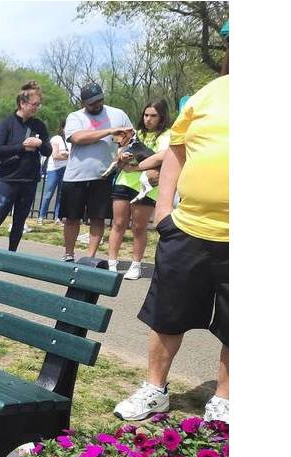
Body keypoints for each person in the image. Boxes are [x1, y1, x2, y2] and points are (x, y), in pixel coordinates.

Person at [114, 23, 229, 423]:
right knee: (167, 313)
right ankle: (154, 388)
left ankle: (225, 398)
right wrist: (164, 208)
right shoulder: (205, 96)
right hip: (189, 227)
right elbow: (176, 151)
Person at [59, 83, 133, 262]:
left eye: (100, 100)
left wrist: (123, 151)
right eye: (92, 103)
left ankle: (90, 257)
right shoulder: (75, 117)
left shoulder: (118, 114)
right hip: (75, 175)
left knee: (98, 218)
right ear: (83, 102)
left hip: (103, 175)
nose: (97, 105)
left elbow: (130, 137)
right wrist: (108, 131)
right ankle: (69, 254)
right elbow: (77, 138)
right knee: (71, 217)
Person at [106, 98, 172, 279]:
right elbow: (120, 153)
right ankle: (112, 262)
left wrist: (135, 167)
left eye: (153, 116)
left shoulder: (167, 134)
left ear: (162, 117)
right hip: (124, 182)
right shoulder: (135, 133)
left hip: (147, 187)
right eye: (146, 115)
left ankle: (136, 265)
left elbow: (161, 158)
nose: (148, 119)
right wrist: (122, 158)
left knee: (138, 227)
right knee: (118, 223)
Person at [0, 81, 51, 251]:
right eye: (34, 104)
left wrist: (40, 143)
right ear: (22, 103)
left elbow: (48, 151)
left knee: (19, 221)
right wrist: (22, 146)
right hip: (8, 179)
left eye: (38, 105)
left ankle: (11, 254)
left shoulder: (39, 125)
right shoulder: (7, 124)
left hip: (29, 180)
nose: (36, 108)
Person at [39, 121, 69, 223]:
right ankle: (41, 216)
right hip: (54, 170)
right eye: (66, 127)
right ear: (62, 128)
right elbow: (55, 156)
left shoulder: (70, 141)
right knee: (48, 193)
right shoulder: (56, 138)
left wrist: (65, 155)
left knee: (61, 195)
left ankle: (58, 218)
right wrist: (66, 155)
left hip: (65, 169)